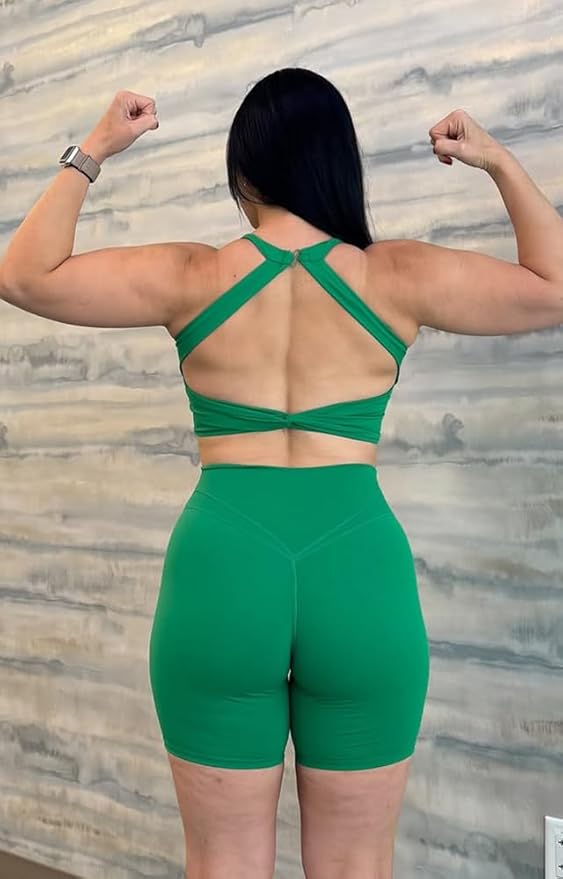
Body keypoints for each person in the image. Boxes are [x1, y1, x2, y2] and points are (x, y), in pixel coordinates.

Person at [1, 67, 561, 879]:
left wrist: (96, 147)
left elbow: (21, 275)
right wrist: (496, 159)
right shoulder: (393, 276)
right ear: (338, 164)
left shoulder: (194, 275)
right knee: (355, 866)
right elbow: (554, 286)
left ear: (243, 169)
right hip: (356, 570)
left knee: (223, 862)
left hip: (224, 567)